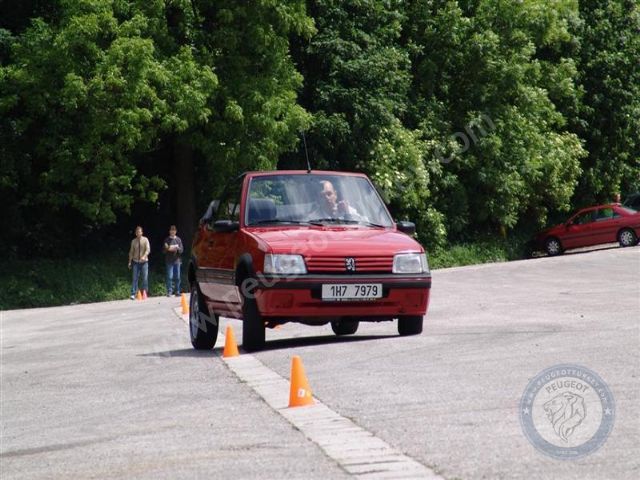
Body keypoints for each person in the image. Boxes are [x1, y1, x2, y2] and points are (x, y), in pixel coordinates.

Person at [128, 226, 150, 299]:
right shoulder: (133, 241)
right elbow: (131, 252)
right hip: (135, 262)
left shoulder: (145, 239)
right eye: (137, 232)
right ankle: (133, 293)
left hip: (144, 262)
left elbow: (148, 249)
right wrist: (129, 262)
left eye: (140, 232)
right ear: (136, 233)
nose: (138, 233)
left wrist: (144, 256)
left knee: (145, 278)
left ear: (142, 232)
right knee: (135, 278)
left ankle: (145, 293)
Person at [163, 225, 184, 296]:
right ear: (169, 231)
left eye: (174, 230)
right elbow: (164, 250)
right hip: (169, 261)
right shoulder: (167, 240)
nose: (172, 232)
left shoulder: (178, 239)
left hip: (177, 261)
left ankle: (177, 291)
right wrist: (167, 248)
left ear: (176, 231)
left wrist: (177, 248)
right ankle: (169, 291)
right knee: (169, 276)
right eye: (171, 230)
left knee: (177, 277)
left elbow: (181, 250)